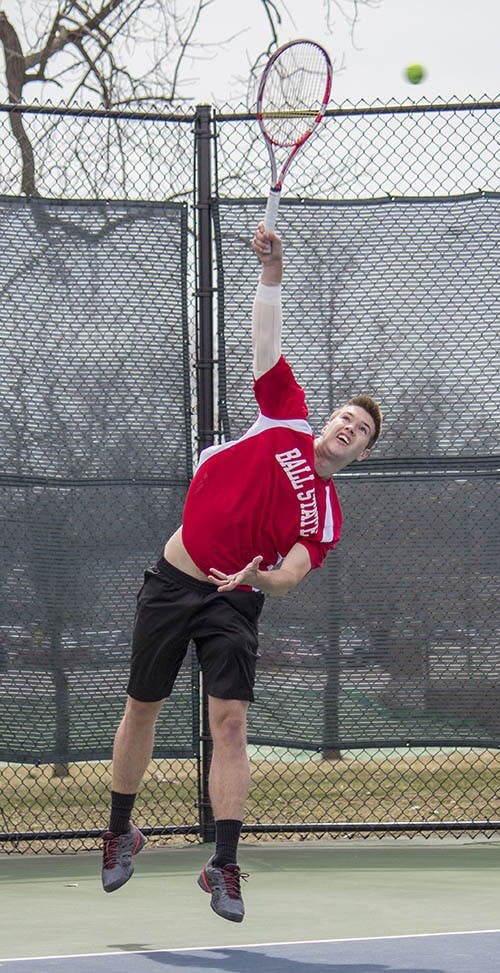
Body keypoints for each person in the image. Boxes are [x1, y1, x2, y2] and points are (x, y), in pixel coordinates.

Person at [101, 223, 382, 922]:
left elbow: (290, 574)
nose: (348, 425)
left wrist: (259, 579)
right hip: (174, 578)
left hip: (235, 600)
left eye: (362, 430)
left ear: (363, 454)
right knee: (143, 706)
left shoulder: (326, 513)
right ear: (327, 419)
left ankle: (224, 865)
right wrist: (273, 270)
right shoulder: (283, 415)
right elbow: (266, 340)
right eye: (346, 415)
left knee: (230, 725)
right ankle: (117, 831)